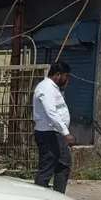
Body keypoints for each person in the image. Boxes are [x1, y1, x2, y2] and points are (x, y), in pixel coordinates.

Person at [32, 61, 74, 193]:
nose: (67, 80)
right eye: (66, 77)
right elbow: (51, 111)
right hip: (49, 134)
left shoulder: (53, 88)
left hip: (55, 133)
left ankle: (58, 196)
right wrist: (66, 133)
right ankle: (40, 198)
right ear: (58, 75)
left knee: (63, 164)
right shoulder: (46, 88)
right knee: (47, 167)